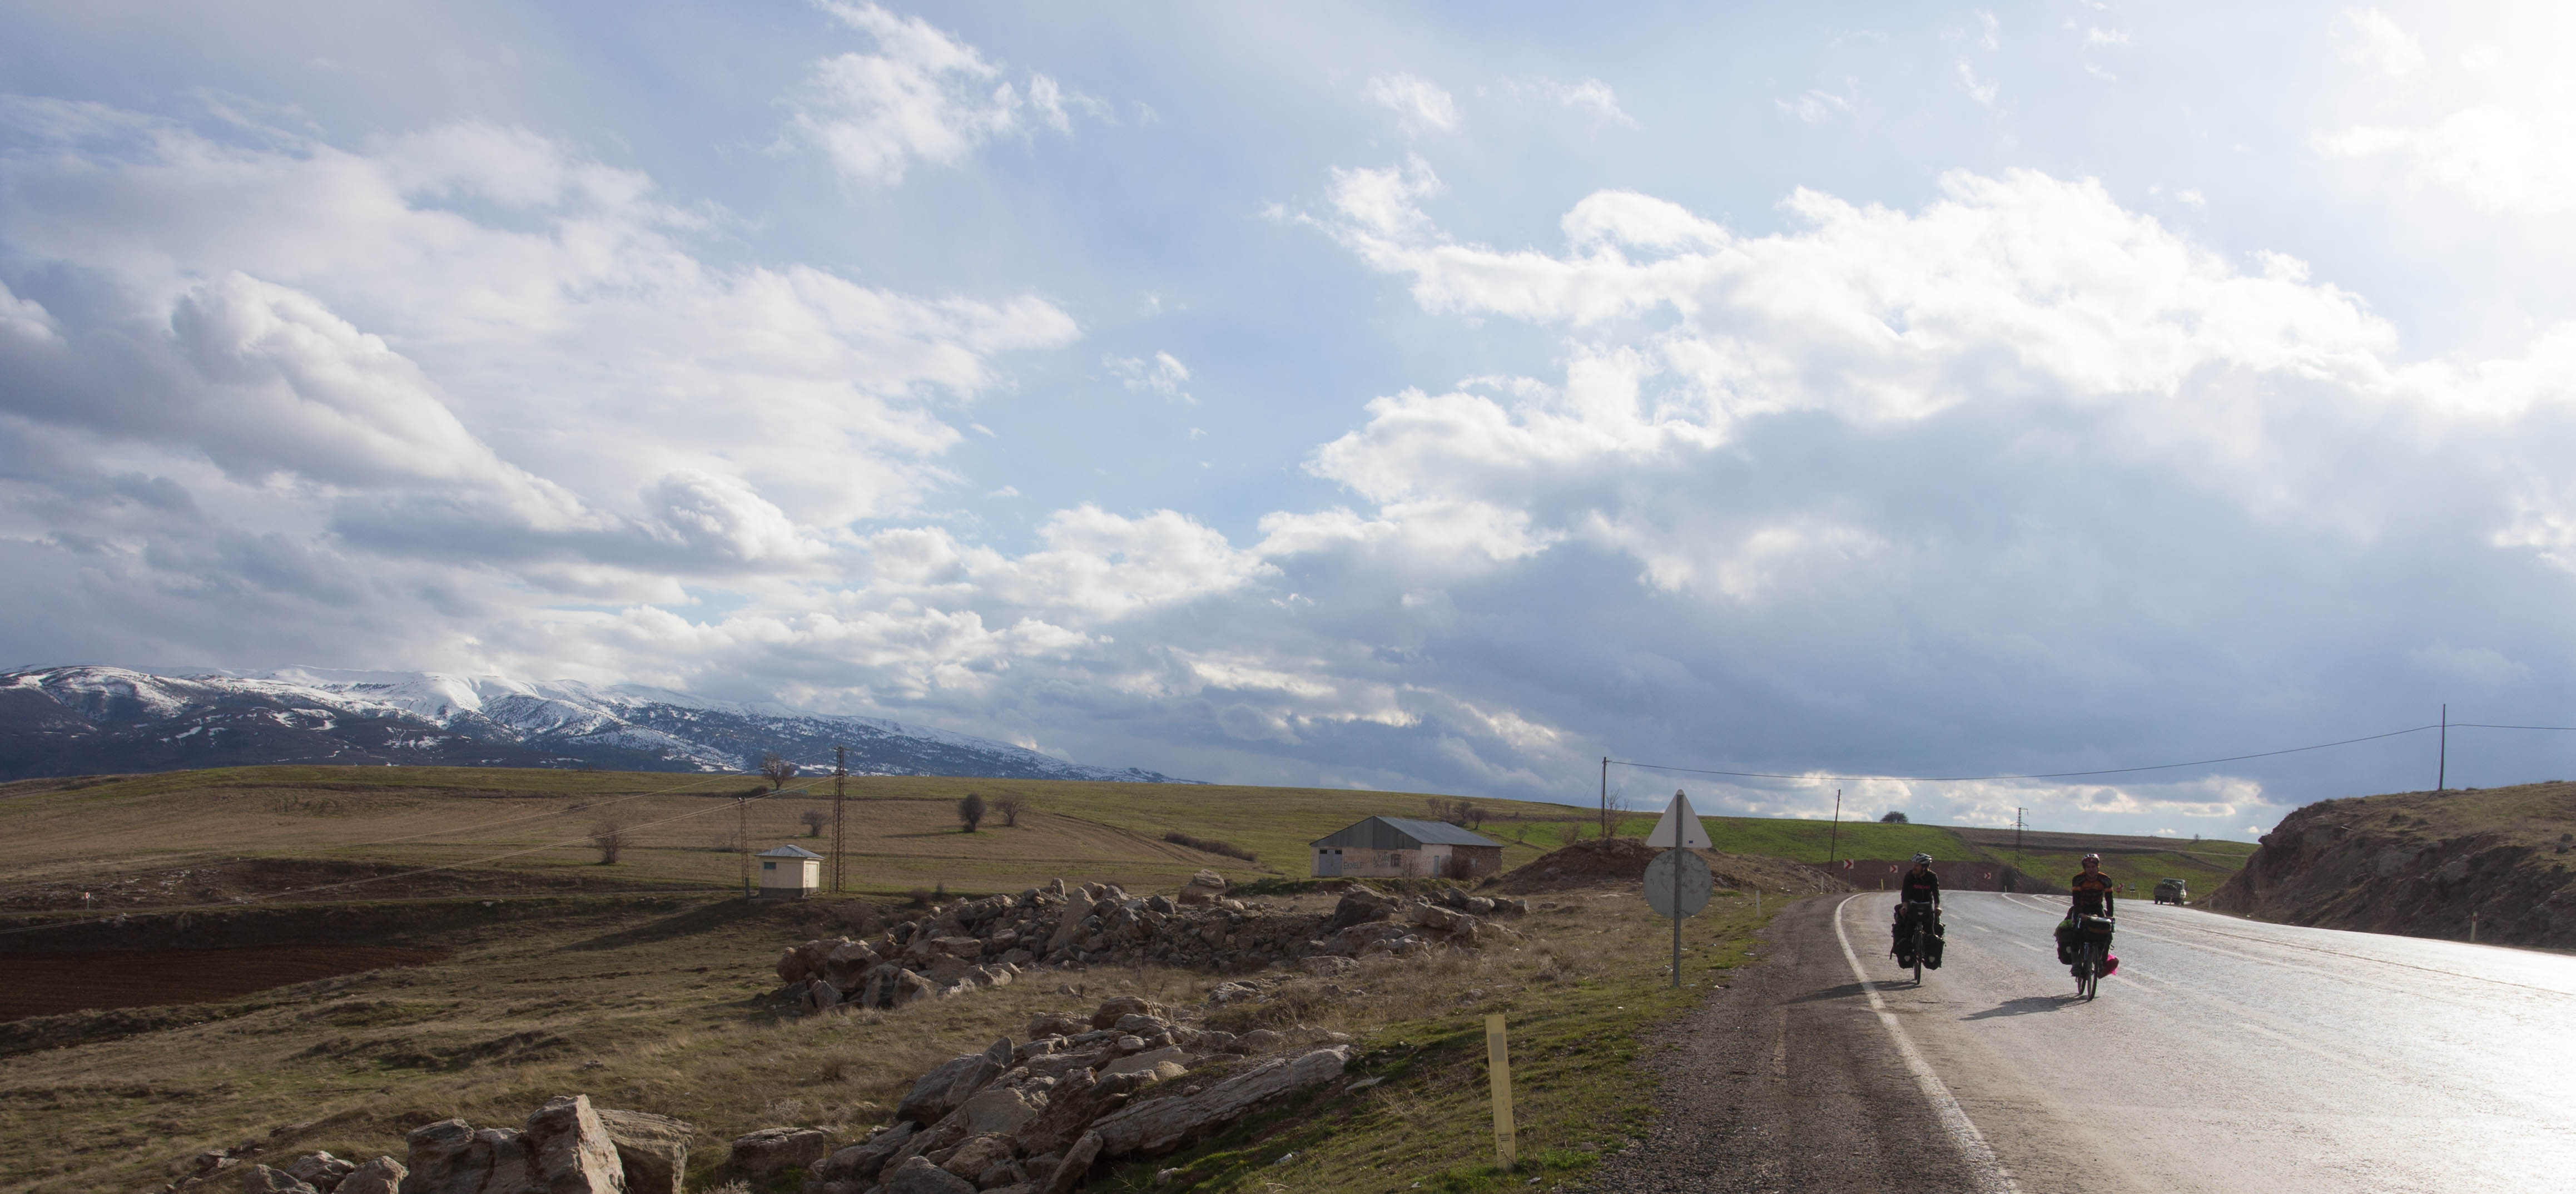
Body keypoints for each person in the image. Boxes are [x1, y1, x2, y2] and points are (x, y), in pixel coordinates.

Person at [2055, 853, 2116, 965]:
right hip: (2081, 907)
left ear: (2098, 867)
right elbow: (2076, 900)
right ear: (2085, 869)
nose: (2091, 870)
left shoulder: (2105, 880)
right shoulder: (2078, 879)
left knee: (2107, 931)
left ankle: (2101, 960)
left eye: (2093, 867)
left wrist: (2110, 916)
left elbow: (2109, 900)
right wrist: (2080, 914)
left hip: (2097, 907)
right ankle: (2075, 963)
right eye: (2088, 867)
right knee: (2076, 931)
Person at [1890, 853, 1944, 969]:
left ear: (1924, 867)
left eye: (1917, 866)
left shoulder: (1932, 876)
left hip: (1927, 907)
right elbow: (1905, 893)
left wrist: (1937, 907)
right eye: (1914, 865)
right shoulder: (1910, 875)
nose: (1914, 867)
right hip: (1912, 906)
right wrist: (1904, 907)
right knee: (1908, 931)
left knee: (1930, 932)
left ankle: (1928, 956)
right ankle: (1908, 954)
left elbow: (1936, 893)